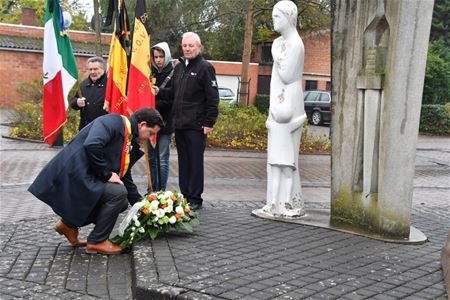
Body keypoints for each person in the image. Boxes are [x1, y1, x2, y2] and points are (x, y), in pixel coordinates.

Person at [28, 108, 164, 254]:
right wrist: (106, 174)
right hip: (73, 175)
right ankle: (97, 241)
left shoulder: (129, 137)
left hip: (86, 176)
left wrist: (145, 208)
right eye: (151, 133)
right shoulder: (113, 121)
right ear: (142, 124)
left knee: (122, 201)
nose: (150, 138)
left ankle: (68, 225)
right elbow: (92, 144)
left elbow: (124, 176)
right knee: (118, 193)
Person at [157, 32, 219, 210]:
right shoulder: (179, 68)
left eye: (191, 45)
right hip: (180, 125)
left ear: (199, 47)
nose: (187, 48)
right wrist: (158, 91)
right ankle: (185, 195)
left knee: (195, 162)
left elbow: (213, 98)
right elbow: (172, 93)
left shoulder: (205, 67)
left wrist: (209, 122)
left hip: (197, 126)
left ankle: (195, 198)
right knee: (184, 163)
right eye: (185, 46)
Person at [264, 1, 306, 216]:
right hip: (277, 99)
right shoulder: (279, 42)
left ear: (289, 18)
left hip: (290, 101)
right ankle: (273, 202)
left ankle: (289, 203)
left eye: (277, 16)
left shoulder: (295, 44)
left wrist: (274, 51)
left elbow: (288, 75)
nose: (274, 20)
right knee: (273, 159)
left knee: (288, 162)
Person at [147, 42, 174, 192]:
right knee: (150, 158)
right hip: (150, 124)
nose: (158, 60)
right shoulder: (149, 72)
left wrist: (156, 100)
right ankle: (151, 188)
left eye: (161, 56)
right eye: (156, 57)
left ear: (167, 56)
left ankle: (161, 191)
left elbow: (173, 98)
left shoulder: (174, 73)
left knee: (162, 159)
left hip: (164, 123)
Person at [71, 56, 108, 131]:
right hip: (86, 127)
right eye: (90, 69)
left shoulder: (110, 85)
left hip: (105, 128)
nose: (92, 72)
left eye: (95, 69)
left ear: (103, 69)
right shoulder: (83, 85)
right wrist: (77, 102)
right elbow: (73, 102)